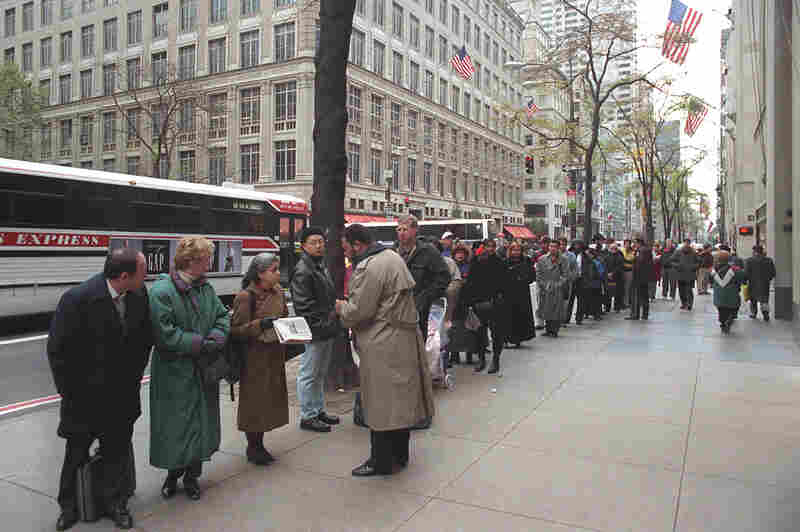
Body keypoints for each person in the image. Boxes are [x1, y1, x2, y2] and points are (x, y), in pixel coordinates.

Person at [47, 248, 152, 531]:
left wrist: (133, 376)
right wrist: (70, 394)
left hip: (121, 397)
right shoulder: (77, 299)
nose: (147, 277)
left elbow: (144, 340)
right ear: (124, 276)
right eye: (143, 272)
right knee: (76, 454)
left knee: (116, 453)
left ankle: (116, 504)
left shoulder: (140, 296)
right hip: (84, 400)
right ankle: (68, 508)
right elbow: (58, 352)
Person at [335, 225, 435, 477]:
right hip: (403, 338)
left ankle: (380, 461)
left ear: (357, 245)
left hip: (382, 343)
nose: (346, 254)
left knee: (379, 403)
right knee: (401, 401)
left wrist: (340, 308)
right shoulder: (392, 257)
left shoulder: (369, 267)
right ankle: (400, 456)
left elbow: (360, 311)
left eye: (347, 248)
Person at [149, 237, 230, 502]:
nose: (210, 263)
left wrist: (216, 337)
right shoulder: (162, 291)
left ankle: (192, 476)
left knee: (201, 423)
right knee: (175, 424)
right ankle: (173, 475)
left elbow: (221, 316)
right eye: (207, 258)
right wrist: (201, 344)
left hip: (202, 368)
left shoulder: (205, 288)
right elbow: (165, 334)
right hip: (175, 371)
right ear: (193, 261)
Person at [230, 253, 289, 466]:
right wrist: (259, 325)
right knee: (254, 403)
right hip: (254, 358)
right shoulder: (246, 297)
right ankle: (253, 446)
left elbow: (283, 317)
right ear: (260, 274)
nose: (278, 273)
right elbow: (236, 330)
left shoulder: (279, 292)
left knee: (269, 401)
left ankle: (260, 443)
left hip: (274, 354)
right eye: (274, 270)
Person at [290, 227, 342, 433]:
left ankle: (318, 410)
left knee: (319, 373)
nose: (319, 245)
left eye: (321, 241)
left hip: (325, 327)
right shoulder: (304, 270)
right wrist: (322, 326)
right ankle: (308, 415)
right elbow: (304, 307)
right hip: (315, 330)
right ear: (304, 245)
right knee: (309, 373)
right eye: (314, 242)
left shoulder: (318, 265)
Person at [456, 239, 510, 374]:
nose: (490, 249)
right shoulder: (476, 262)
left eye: (493, 246)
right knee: (479, 333)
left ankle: (496, 360)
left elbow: (504, 285)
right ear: (483, 247)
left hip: (495, 304)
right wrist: (469, 302)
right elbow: (470, 283)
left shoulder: (500, 263)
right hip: (478, 303)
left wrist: (499, 300)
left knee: (496, 334)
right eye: (488, 246)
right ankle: (481, 359)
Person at [395, 215, 451, 338]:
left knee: (419, 344)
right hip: (397, 308)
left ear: (415, 230)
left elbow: (444, 277)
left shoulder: (428, 251)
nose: (401, 233)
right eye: (399, 230)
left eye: (405, 229)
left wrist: (426, 297)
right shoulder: (394, 252)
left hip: (420, 309)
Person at [505, 241, 536, 347]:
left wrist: (524, 279)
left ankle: (519, 338)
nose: (516, 252)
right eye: (514, 250)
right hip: (509, 293)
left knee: (521, 316)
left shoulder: (526, 261)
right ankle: (508, 338)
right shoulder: (506, 262)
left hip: (522, 292)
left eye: (518, 250)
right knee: (509, 316)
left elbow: (532, 275)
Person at [535, 240, 570, 336]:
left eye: (554, 246)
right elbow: (538, 273)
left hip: (557, 287)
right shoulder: (542, 259)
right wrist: (542, 284)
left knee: (556, 309)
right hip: (545, 287)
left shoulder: (564, 259)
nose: (552, 248)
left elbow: (565, 275)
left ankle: (555, 330)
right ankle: (548, 329)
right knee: (545, 308)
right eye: (551, 246)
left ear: (558, 248)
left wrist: (558, 284)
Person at [711, 250, 748, 333]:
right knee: (732, 309)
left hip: (719, 297)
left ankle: (723, 323)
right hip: (732, 296)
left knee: (721, 311)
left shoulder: (714, 270)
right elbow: (744, 277)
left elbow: (711, 281)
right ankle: (729, 320)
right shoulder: (734, 270)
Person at [744, 244, 776, 321]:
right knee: (764, 300)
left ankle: (753, 313)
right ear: (762, 251)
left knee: (753, 300)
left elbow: (746, 273)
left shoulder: (749, 260)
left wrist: (746, 280)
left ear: (754, 251)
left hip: (752, 283)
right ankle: (765, 313)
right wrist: (768, 279)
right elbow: (773, 273)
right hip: (765, 283)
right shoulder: (769, 260)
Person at [627, 245, 655, 320]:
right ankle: (644, 314)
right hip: (645, 278)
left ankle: (636, 314)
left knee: (637, 296)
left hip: (639, 278)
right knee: (644, 296)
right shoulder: (647, 251)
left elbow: (639, 263)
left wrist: (635, 257)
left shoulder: (641, 251)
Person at [670, 240, 700, 311]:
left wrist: (694, 266)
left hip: (690, 275)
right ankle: (684, 303)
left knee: (689, 290)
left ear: (689, 244)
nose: (686, 244)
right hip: (681, 274)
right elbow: (671, 260)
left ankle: (689, 304)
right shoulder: (678, 252)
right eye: (685, 243)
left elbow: (699, 262)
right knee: (681, 290)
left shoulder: (693, 252)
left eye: (688, 243)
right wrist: (677, 266)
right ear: (684, 244)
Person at [605, 242, 625, 312]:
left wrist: (612, 273)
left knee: (617, 293)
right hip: (609, 278)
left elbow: (620, 267)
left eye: (614, 248)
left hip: (617, 278)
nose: (613, 249)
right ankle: (607, 307)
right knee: (608, 293)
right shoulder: (607, 256)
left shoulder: (619, 256)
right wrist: (608, 273)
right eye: (611, 248)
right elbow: (605, 265)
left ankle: (617, 307)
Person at [622, 240, 635, 308]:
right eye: (626, 244)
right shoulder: (622, 250)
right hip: (622, 271)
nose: (627, 245)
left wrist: (626, 260)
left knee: (628, 288)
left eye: (628, 244)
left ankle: (627, 302)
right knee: (623, 288)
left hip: (629, 271)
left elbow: (632, 260)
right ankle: (623, 302)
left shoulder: (632, 251)